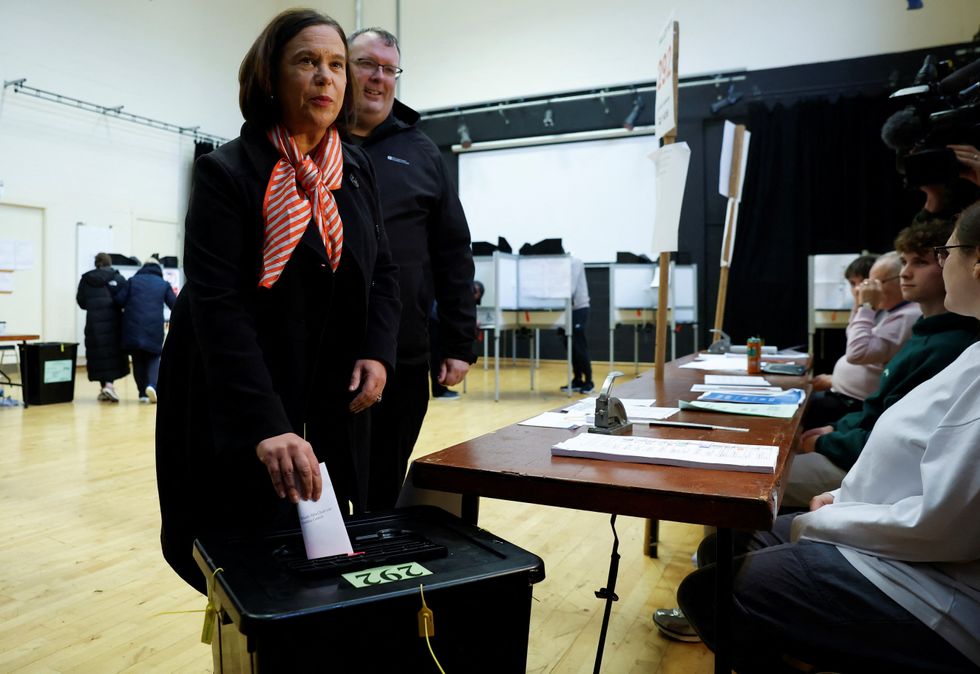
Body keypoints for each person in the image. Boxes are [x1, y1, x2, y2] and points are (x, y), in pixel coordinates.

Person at [675, 200, 980, 672]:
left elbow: (942, 525)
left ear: (978, 262)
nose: (940, 261)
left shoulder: (959, 351)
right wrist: (842, 497)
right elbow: (909, 456)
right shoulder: (960, 346)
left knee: (709, 587)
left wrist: (830, 515)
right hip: (884, 534)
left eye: (945, 250)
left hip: (926, 587)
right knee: (725, 547)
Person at [155, 9, 400, 594]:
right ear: (269, 76)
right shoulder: (228, 171)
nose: (326, 78)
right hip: (240, 400)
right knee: (252, 570)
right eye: (307, 62)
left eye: (337, 65)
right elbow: (217, 308)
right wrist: (266, 425)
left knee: (330, 563)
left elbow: (383, 271)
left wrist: (377, 349)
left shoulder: (355, 170)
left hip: (327, 398)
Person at [347, 27, 476, 510]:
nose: (378, 78)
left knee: (382, 484)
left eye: (388, 68)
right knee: (325, 490)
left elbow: (452, 251)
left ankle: (377, 573)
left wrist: (458, 343)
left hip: (404, 351)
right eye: (366, 64)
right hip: (326, 353)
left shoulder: (422, 152)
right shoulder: (316, 139)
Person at [785, 217, 978, 506]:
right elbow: (879, 409)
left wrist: (828, 441)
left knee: (758, 478)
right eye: (904, 262)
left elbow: (859, 354)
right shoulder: (925, 329)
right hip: (857, 442)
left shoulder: (947, 343)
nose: (906, 273)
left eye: (921, 262)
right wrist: (836, 430)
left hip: (867, 463)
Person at [804, 252, 921, 429]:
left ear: (901, 280)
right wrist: (861, 305)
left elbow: (856, 353)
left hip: (855, 405)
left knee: (798, 411)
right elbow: (854, 337)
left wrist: (866, 306)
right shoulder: (894, 311)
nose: (864, 290)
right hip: (844, 396)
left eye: (875, 284)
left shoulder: (908, 316)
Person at [116, 257, 176, 403]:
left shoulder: (132, 281)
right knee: (154, 356)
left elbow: (119, 300)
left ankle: (142, 393)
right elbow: (174, 304)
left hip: (132, 326)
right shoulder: (163, 284)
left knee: (137, 359)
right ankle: (152, 385)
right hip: (154, 326)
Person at [75, 252, 129, 402]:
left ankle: (105, 387)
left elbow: (81, 302)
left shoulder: (86, 280)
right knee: (111, 353)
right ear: (109, 263)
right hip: (113, 323)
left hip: (93, 323)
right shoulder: (117, 278)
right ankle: (109, 386)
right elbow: (123, 299)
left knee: (98, 354)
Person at [559, 257, 594, 393]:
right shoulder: (559, 266)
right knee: (570, 346)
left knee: (580, 345)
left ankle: (589, 381)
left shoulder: (575, 262)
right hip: (566, 309)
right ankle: (577, 379)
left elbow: (570, 288)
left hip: (579, 308)